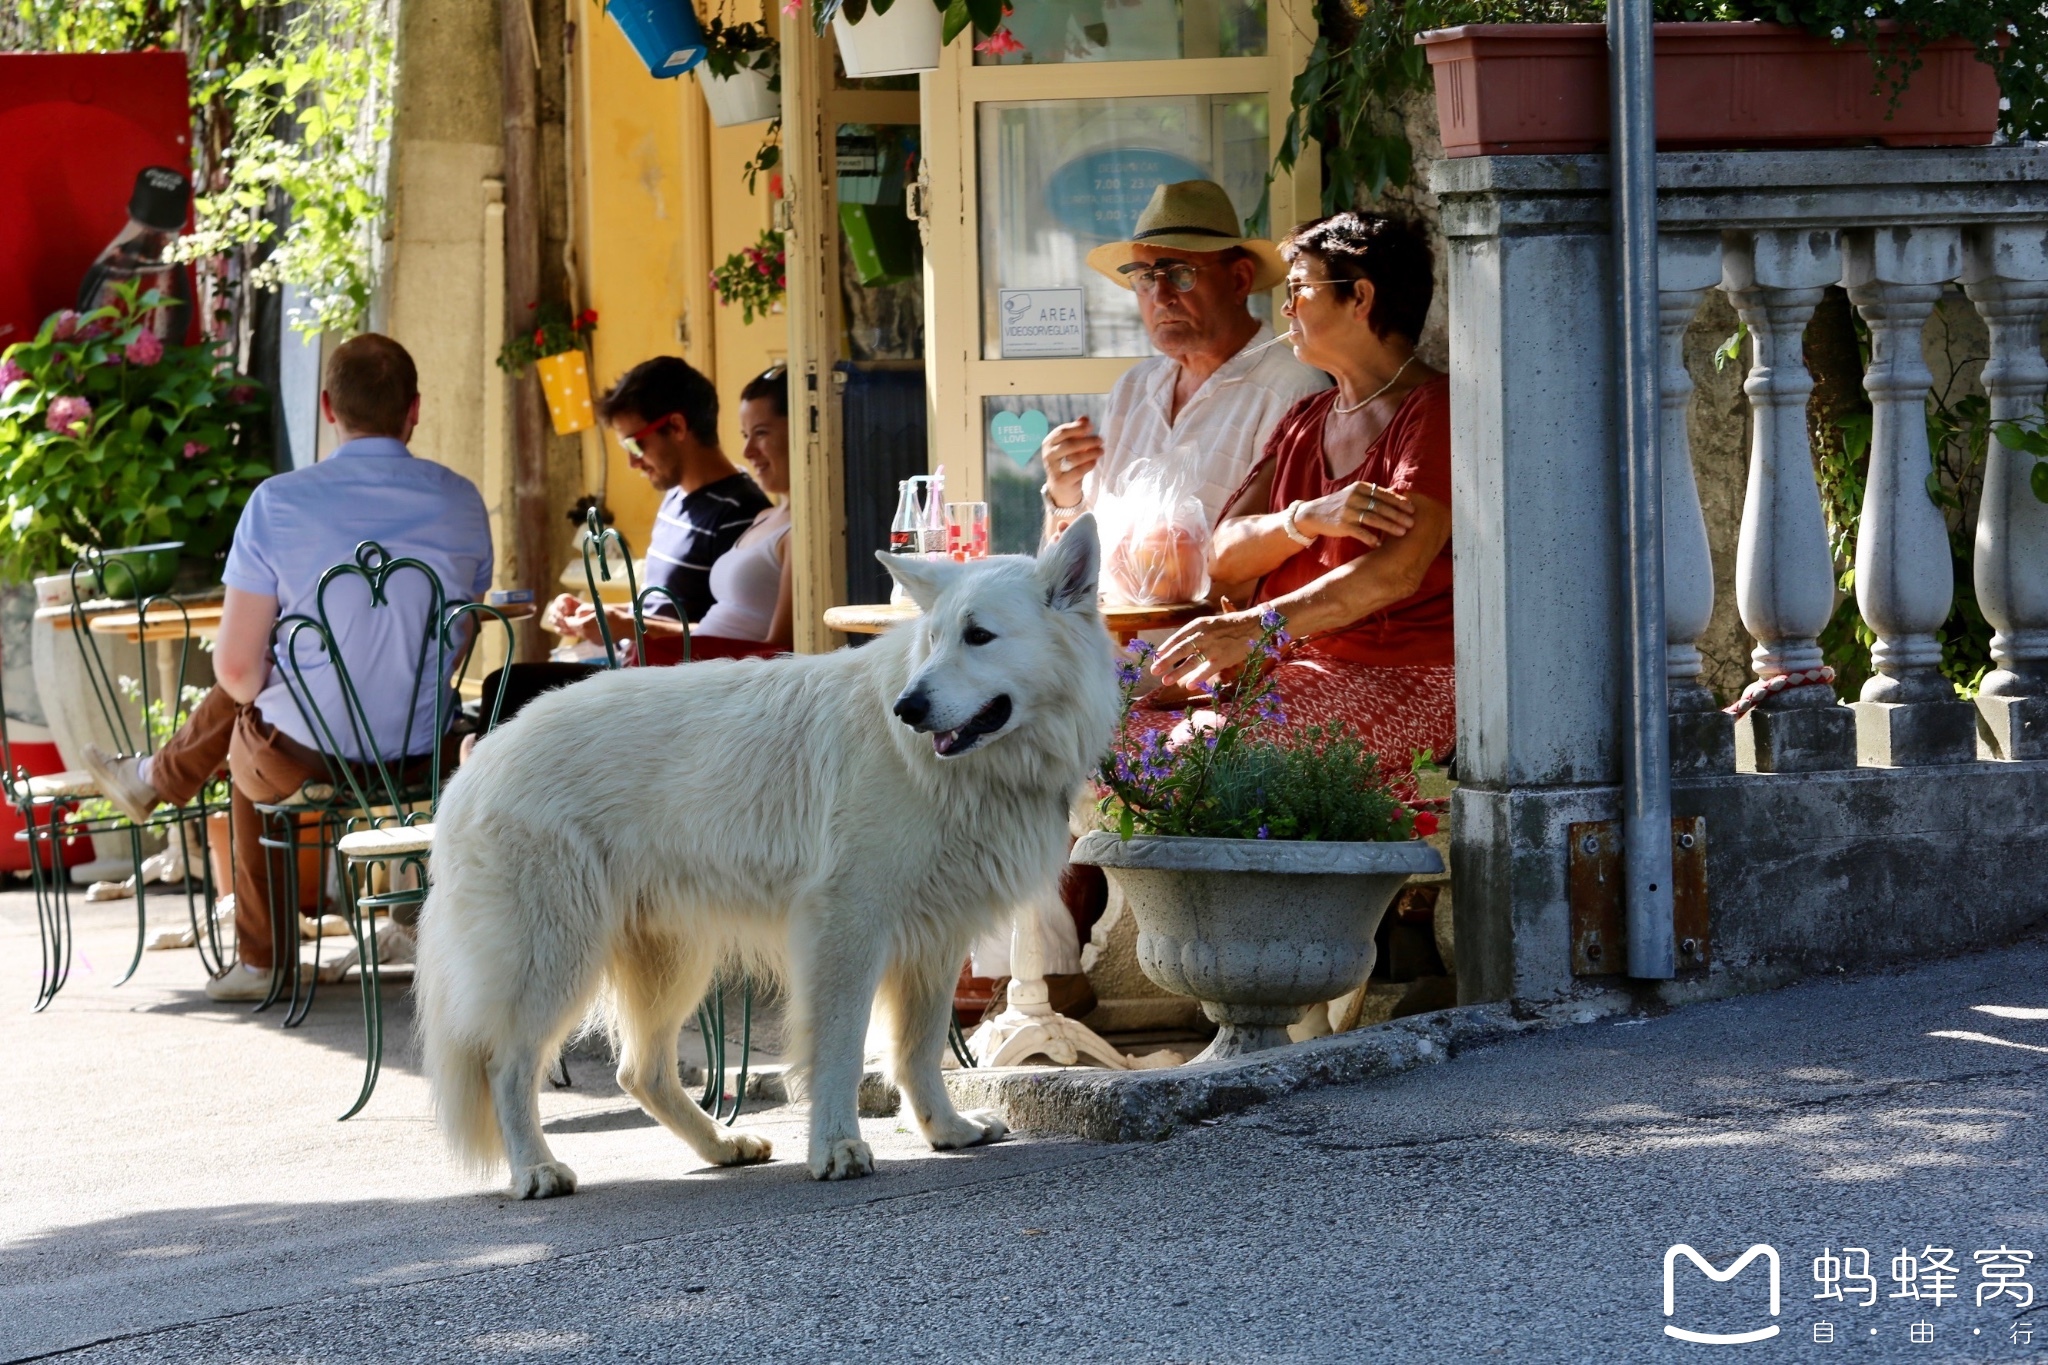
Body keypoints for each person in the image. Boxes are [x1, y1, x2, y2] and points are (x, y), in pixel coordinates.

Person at [81, 335, 493, 1001]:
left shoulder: (277, 502)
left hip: (303, 762)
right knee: (265, 701)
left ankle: (264, 955)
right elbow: (463, 628)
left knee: (249, 709)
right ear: (414, 410)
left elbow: (238, 671)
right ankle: (412, 916)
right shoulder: (462, 500)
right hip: (424, 757)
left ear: (327, 406)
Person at [1148, 212, 1454, 788]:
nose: (1285, 310)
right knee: (1087, 734)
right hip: (1283, 668)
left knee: (1180, 760)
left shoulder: (1436, 409)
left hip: (1400, 676)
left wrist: (1255, 629)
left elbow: (1395, 574)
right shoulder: (1306, 418)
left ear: (1360, 297)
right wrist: (1305, 519)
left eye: (1298, 290)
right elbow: (1224, 560)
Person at [1039, 179, 1330, 541]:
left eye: (1181, 274)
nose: (1160, 297)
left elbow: (1276, 552)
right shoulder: (1132, 388)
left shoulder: (1293, 391)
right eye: (1145, 277)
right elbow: (1081, 558)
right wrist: (1064, 493)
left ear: (1239, 280)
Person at [542, 355, 769, 648]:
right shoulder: (675, 495)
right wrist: (601, 616)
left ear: (676, 427)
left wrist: (631, 627)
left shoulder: (743, 514)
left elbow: (737, 640)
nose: (632, 462)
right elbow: (661, 612)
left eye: (636, 444)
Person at [689, 365, 793, 649]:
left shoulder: (800, 534)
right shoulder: (764, 517)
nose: (747, 452)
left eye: (760, 433)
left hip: (732, 685)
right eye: (745, 435)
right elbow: (730, 624)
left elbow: (780, 649)